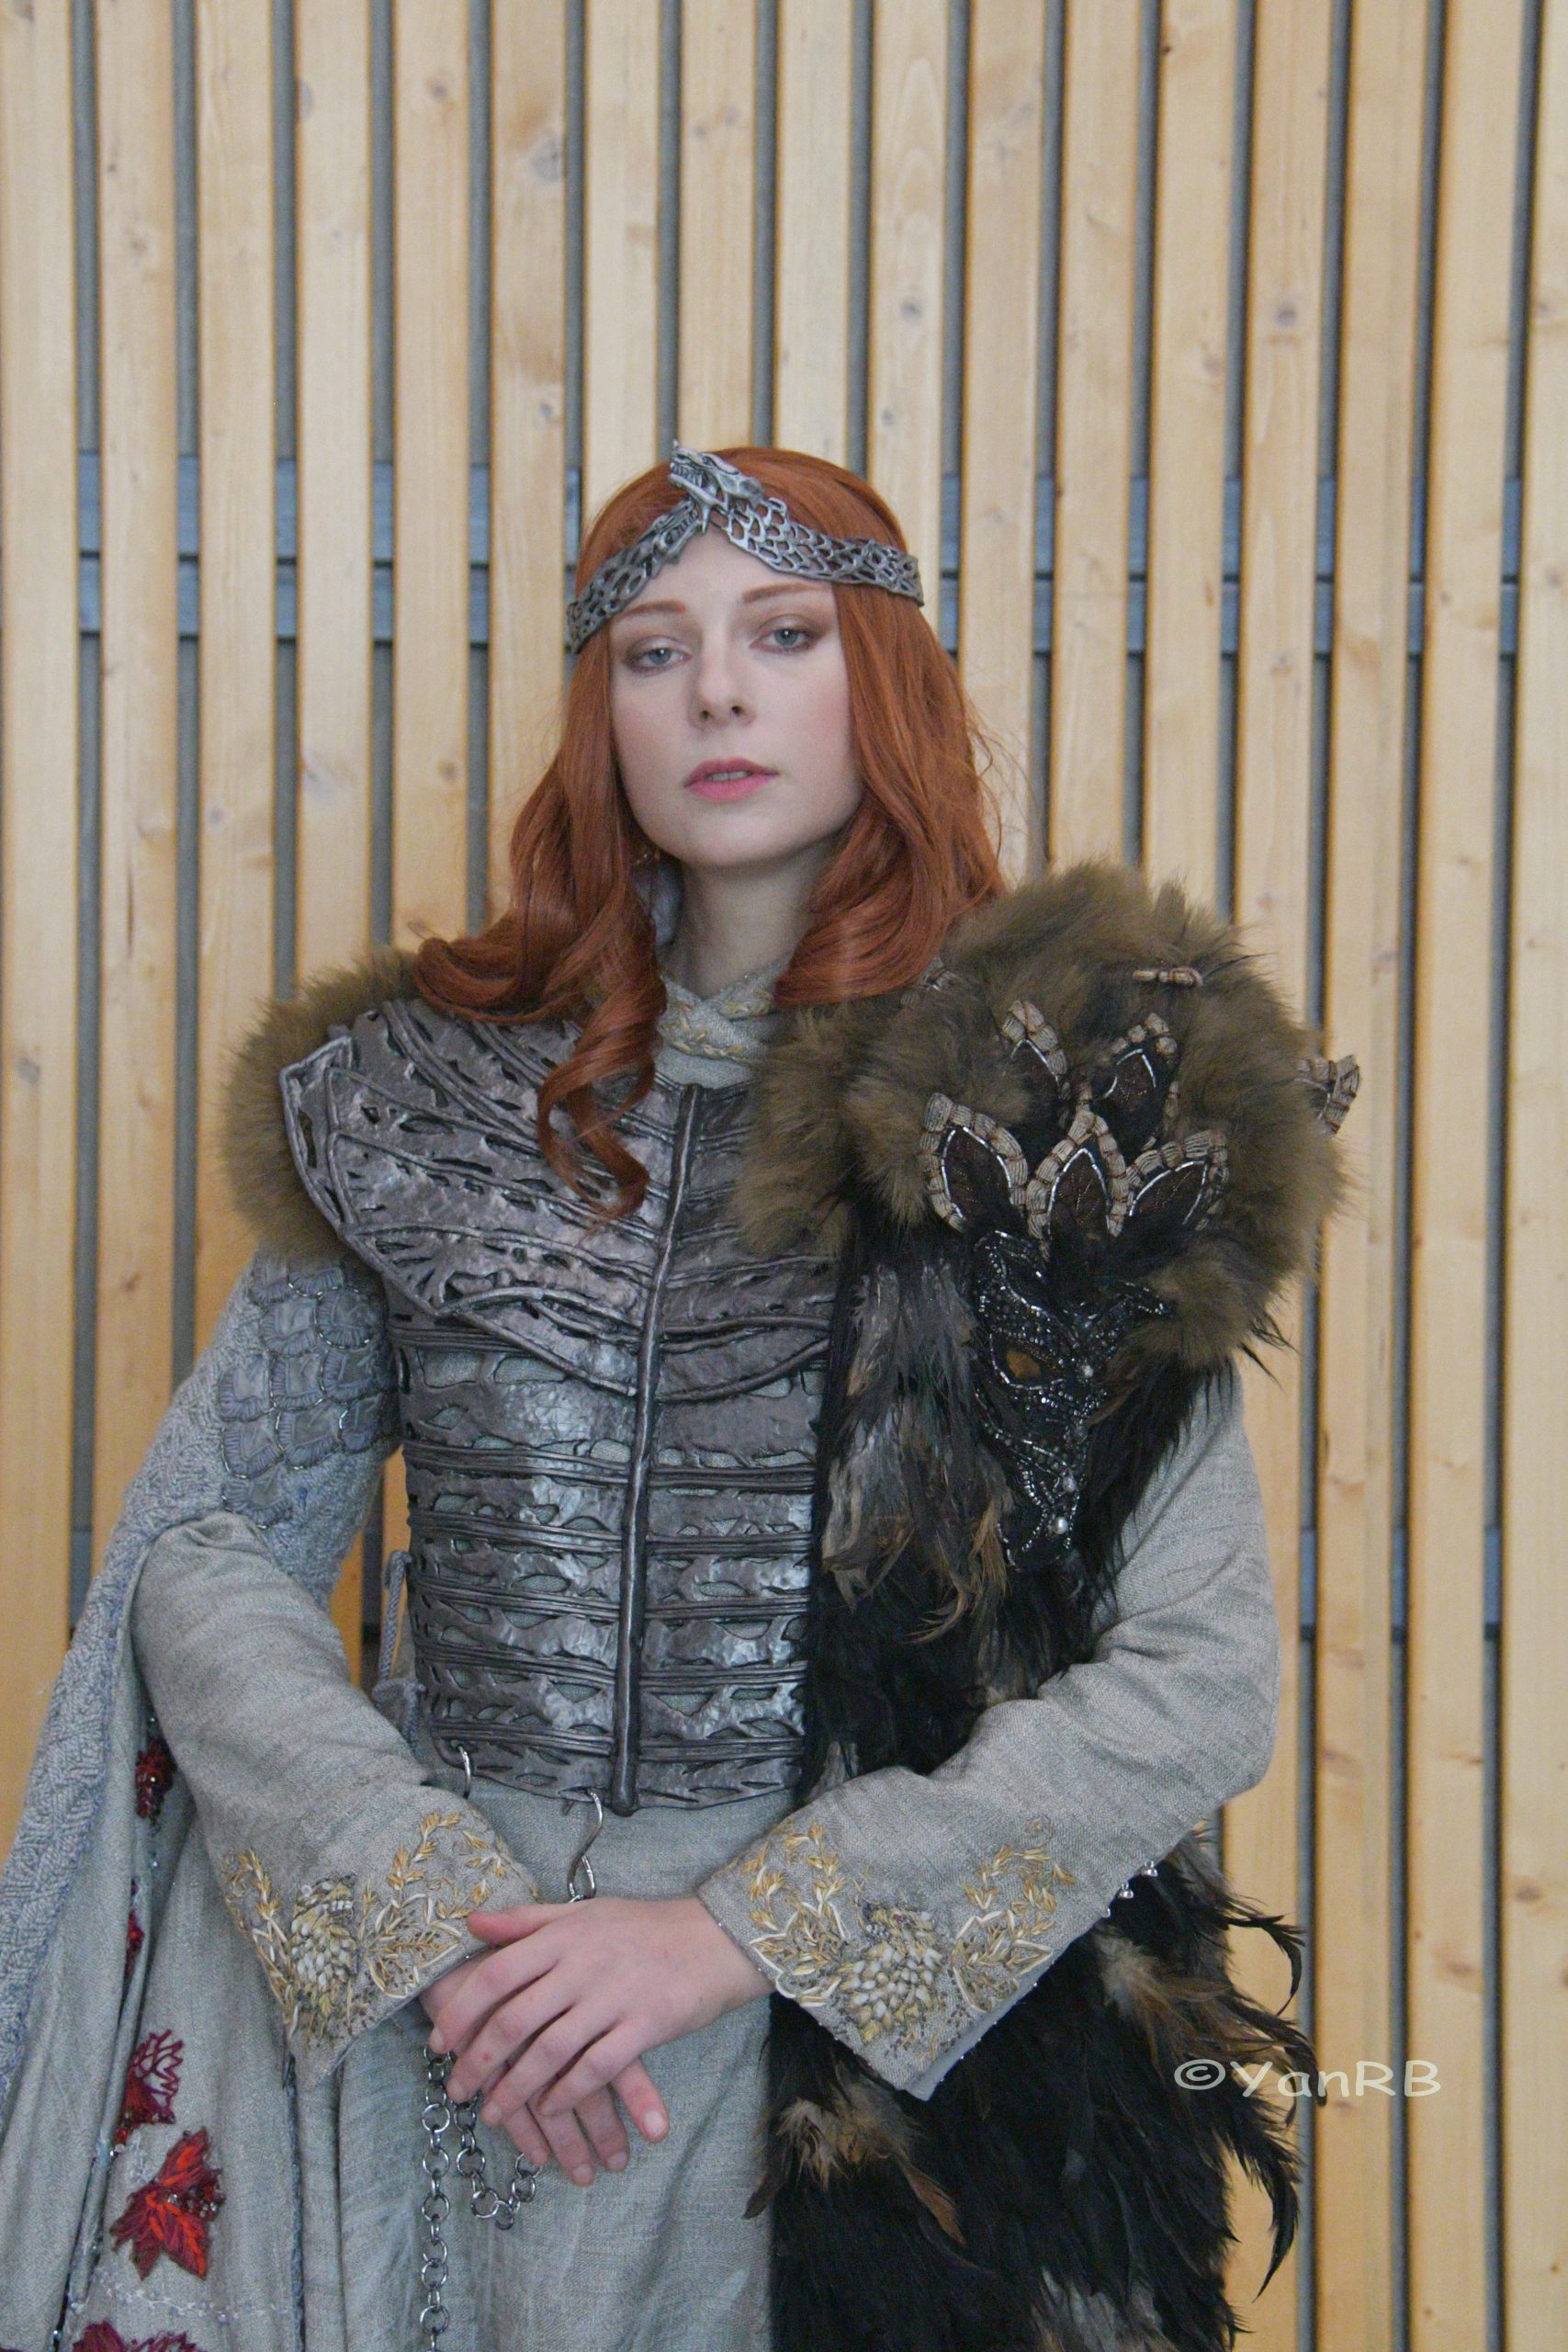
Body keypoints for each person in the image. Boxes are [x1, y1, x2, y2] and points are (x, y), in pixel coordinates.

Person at [0, 444, 1356, 2352]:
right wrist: (423, 1903)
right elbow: (209, 1540)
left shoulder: (1059, 1127)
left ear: (882, 681)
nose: (716, 692)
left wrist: (726, 1937)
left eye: (781, 635)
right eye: (653, 650)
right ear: (603, 714)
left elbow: (1196, 1675)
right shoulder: (426, 1097)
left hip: (824, 2057)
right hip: (412, 2011)